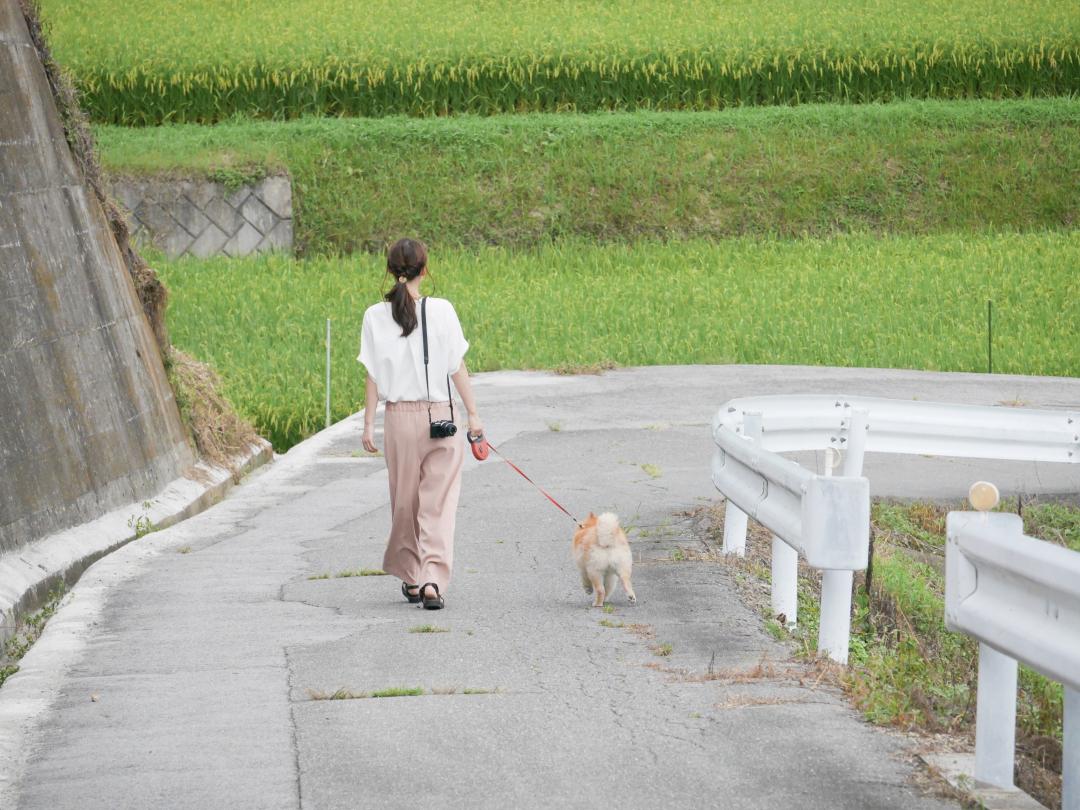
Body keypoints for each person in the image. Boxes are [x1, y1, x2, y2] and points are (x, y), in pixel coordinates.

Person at [358, 238, 482, 610]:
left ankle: (412, 576)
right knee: (438, 504)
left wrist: (367, 424)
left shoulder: (374, 315)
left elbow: (372, 375)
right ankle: (432, 580)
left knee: (405, 502)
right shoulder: (442, 310)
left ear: (390, 270)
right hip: (442, 415)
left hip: (399, 420)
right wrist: (473, 415)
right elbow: (456, 366)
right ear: (425, 269)